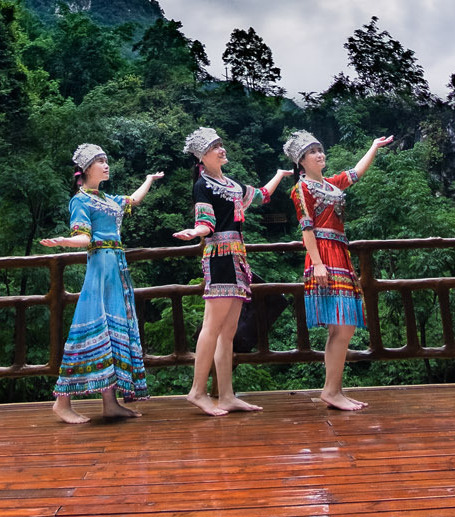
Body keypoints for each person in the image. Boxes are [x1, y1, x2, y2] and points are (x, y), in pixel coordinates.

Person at [40, 143, 165, 425]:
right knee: (88, 330)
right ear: (86, 169)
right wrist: (64, 241)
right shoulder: (80, 200)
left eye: (107, 160)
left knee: (110, 331)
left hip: (116, 270)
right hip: (100, 268)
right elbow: (84, 238)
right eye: (101, 161)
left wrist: (148, 180)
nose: (107, 165)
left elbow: (132, 201)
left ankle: (110, 403)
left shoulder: (107, 200)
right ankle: (61, 403)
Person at [173, 126, 291, 416]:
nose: (221, 149)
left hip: (237, 258)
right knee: (213, 326)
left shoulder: (231, 185)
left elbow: (261, 195)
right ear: (202, 157)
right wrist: (194, 232)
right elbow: (206, 223)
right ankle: (197, 391)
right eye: (215, 146)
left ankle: (226, 394)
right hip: (220, 257)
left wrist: (278, 174)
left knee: (227, 332)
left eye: (221, 144)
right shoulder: (203, 185)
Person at [284, 129, 394, 411]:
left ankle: (334, 390)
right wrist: (318, 263)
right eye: (312, 152)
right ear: (301, 161)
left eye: (320, 149)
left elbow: (356, 173)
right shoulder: (302, 189)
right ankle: (331, 391)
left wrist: (373, 146)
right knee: (342, 326)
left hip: (340, 254)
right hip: (323, 256)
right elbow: (306, 228)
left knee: (341, 327)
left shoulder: (331, 184)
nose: (319, 154)